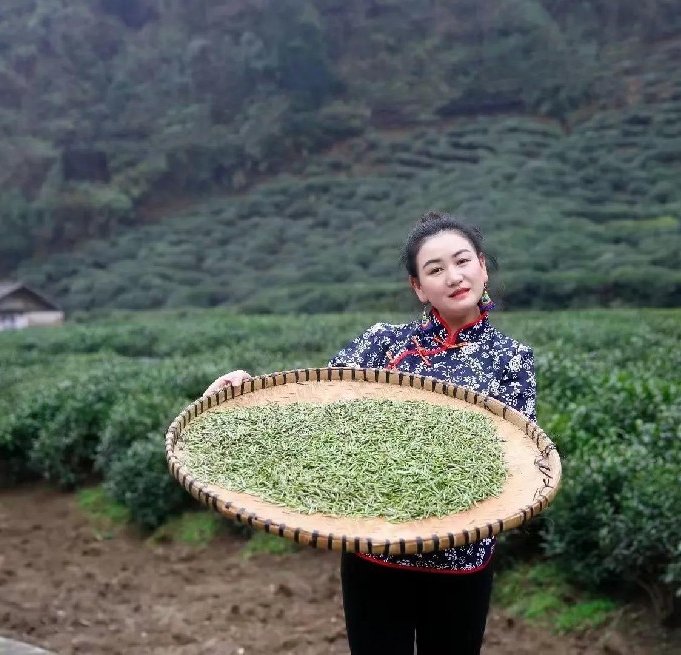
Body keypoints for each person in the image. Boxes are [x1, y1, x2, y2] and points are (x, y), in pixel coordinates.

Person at [203, 210, 537, 655]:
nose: (453, 276)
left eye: (462, 261)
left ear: (483, 266)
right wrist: (245, 391)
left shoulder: (512, 359)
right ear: (418, 287)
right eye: (434, 269)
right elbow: (317, 403)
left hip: (462, 561)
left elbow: (515, 461)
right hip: (375, 553)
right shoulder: (384, 343)